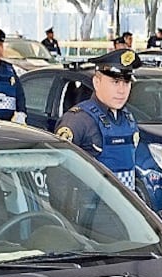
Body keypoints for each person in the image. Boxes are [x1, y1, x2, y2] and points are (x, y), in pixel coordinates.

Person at [54, 49, 143, 191]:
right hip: (91, 210)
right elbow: (58, 178)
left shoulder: (128, 119)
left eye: (126, 83)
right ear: (96, 82)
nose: (122, 90)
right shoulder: (78, 121)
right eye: (115, 82)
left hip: (123, 210)